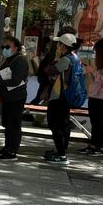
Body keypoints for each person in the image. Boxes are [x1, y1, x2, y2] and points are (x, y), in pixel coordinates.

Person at [43, 33, 83, 165]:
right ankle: (62, 152)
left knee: (56, 126)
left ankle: (62, 155)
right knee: (64, 126)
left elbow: (49, 71)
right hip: (66, 97)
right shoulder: (76, 58)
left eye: (59, 44)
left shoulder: (65, 60)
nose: (57, 46)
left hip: (59, 97)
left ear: (63, 46)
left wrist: (55, 57)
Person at [0, 37, 29, 161]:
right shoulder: (9, 59)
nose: (4, 49)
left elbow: (15, 80)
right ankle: (7, 147)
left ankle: (12, 151)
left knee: (14, 125)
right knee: (8, 124)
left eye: (7, 47)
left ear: (16, 47)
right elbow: (5, 76)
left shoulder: (20, 61)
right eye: (3, 47)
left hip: (16, 97)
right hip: (8, 97)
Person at [77, 39, 103, 156]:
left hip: (102, 97)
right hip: (94, 95)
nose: (95, 54)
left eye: (96, 51)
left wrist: (94, 72)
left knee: (99, 122)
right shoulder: (102, 63)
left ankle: (100, 147)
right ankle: (93, 145)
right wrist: (91, 72)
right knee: (94, 122)